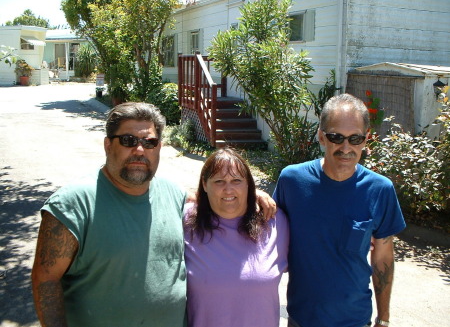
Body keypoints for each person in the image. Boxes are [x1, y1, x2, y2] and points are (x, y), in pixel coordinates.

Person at [31, 102, 276, 327]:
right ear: (108, 145)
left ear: (159, 147)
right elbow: (45, 281)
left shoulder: (172, 194)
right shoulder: (73, 204)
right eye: (127, 140)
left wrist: (250, 194)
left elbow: (214, 198)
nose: (139, 150)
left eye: (149, 142)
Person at [273, 94, 406, 327]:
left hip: (355, 320)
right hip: (301, 319)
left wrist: (383, 318)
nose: (346, 148)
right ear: (321, 137)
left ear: (366, 140)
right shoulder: (292, 181)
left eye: (355, 138)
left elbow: (383, 256)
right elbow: (269, 230)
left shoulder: (380, 189)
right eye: (336, 137)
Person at [184, 148, 289, 327]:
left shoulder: (274, 222)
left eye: (236, 181)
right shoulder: (186, 222)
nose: (228, 189)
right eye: (219, 181)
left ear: (248, 184)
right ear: (204, 184)